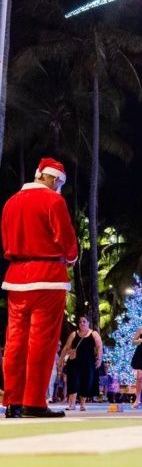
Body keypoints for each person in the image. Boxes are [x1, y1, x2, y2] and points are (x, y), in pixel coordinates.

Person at [2, 158, 78, 419]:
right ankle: (33, 402)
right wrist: (71, 258)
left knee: (15, 342)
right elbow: (67, 241)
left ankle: (12, 401)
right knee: (41, 342)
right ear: (54, 179)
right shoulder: (53, 201)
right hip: (48, 276)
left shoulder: (11, 202)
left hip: (16, 277)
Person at [59, 316, 102, 411]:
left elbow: (99, 347)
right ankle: (72, 404)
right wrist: (61, 360)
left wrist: (99, 359)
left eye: (84, 321)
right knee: (73, 382)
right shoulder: (74, 334)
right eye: (80, 322)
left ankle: (82, 405)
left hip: (88, 364)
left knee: (86, 383)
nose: (82, 323)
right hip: (74, 363)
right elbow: (66, 348)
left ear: (88, 323)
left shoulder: (94, 334)